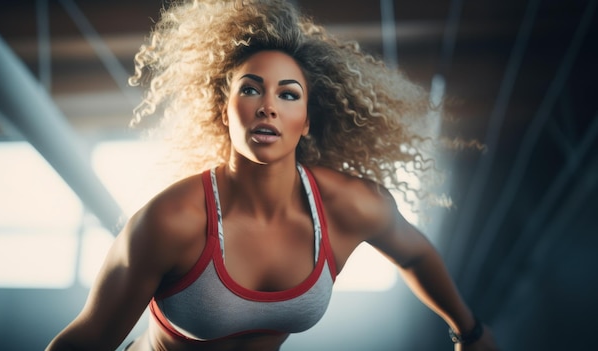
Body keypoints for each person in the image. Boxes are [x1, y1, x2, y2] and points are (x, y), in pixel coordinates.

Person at [46, 0, 499, 350]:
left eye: (288, 94)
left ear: (306, 119)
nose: (268, 106)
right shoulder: (171, 221)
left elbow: (415, 255)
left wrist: (470, 332)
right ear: (224, 112)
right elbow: (82, 344)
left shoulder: (348, 207)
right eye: (250, 89)